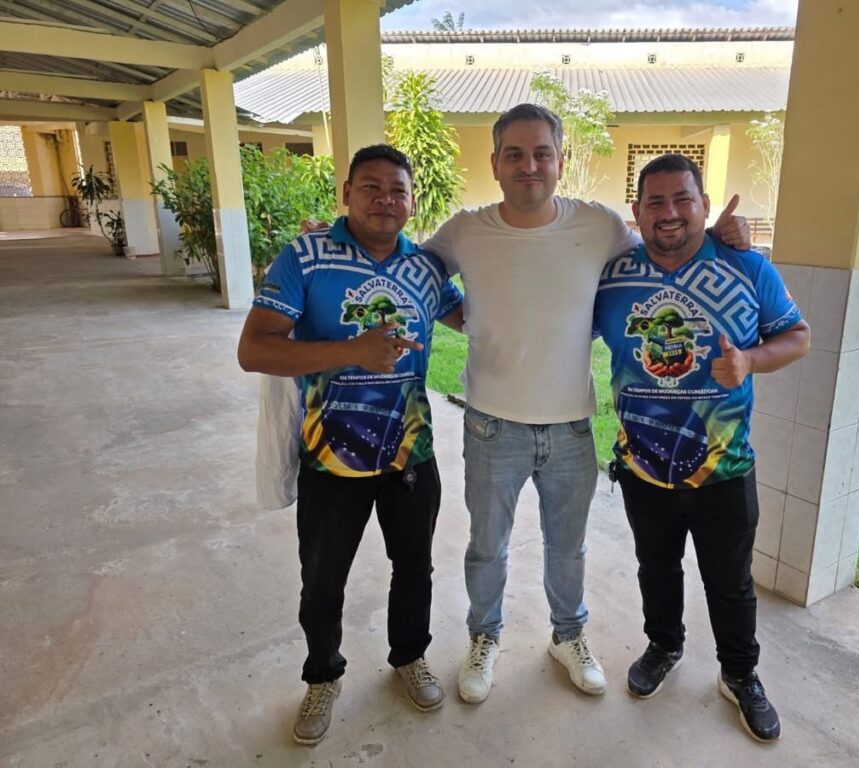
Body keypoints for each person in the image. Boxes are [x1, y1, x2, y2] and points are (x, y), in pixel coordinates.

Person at [421, 104, 752, 704]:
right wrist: (463, 314)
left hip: (571, 425)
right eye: (515, 154)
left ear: (561, 160)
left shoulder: (599, 225)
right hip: (492, 425)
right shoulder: (466, 230)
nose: (529, 166)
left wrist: (724, 236)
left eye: (541, 153)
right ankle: (484, 637)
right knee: (487, 546)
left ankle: (568, 636)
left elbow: (666, 243)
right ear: (494, 163)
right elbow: (412, 271)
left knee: (567, 547)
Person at [237, 145, 463, 746]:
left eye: (398, 189)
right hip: (330, 455)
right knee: (323, 579)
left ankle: (409, 656)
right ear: (347, 193)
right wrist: (351, 351)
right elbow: (254, 349)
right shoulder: (306, 256)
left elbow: (479, 319)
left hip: (410, 453)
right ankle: (322, 676)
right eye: (371, 187)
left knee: (414, 568)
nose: (386, 199)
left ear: (412, 200)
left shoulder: (428, 268)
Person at [593, 153, 810, 742]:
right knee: (656, 568)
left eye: (682, 199)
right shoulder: (612, 276)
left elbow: (798, 336)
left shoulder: (746, 267)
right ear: (637, 211)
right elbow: (559, 324)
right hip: (642, 467)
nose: (670, 213)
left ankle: (740, 674)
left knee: (730, 581)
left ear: (705, 206)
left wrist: (750, 361)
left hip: (725, 468)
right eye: (655, 202)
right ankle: (664, 646)